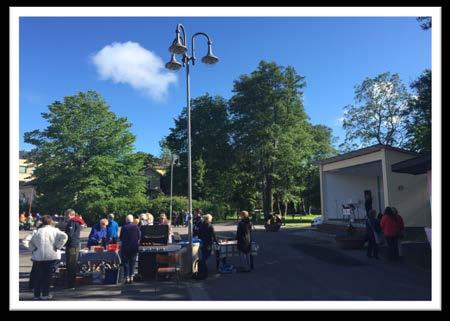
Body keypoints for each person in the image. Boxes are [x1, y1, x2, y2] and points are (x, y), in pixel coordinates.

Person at [28, 215, 68, 300]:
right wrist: (58, 246)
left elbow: (26, 240)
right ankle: (45, 294)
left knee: (38, 276)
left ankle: (36, 295)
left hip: (38, 256)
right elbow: (65, 236)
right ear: (51, 222)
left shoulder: (36, 231)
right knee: (48, 276)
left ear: (42, 222)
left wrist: (33, 248)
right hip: (51, 255)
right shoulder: (55, 230)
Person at [120, 215, 141, 284]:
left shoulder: (124, 227)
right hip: (134, 247)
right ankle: (131, 276)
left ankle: (127, 277)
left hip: (125, 247)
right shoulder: (136, 227)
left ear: (126, 220)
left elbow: (120, 238)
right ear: (132, 220)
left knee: (126, 263)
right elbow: (139, 237)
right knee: (132, 262)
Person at [64, 209, 82, 289]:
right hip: (75, 244)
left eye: (66, 215)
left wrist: (63, 239)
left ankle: (70, 284)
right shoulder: (78, 221)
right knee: (73, 264)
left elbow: (70, 235)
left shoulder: (72, 222)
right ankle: (71, 283)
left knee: (71, 265)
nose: (65, 217)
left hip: (72, 245)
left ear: (69, 214)